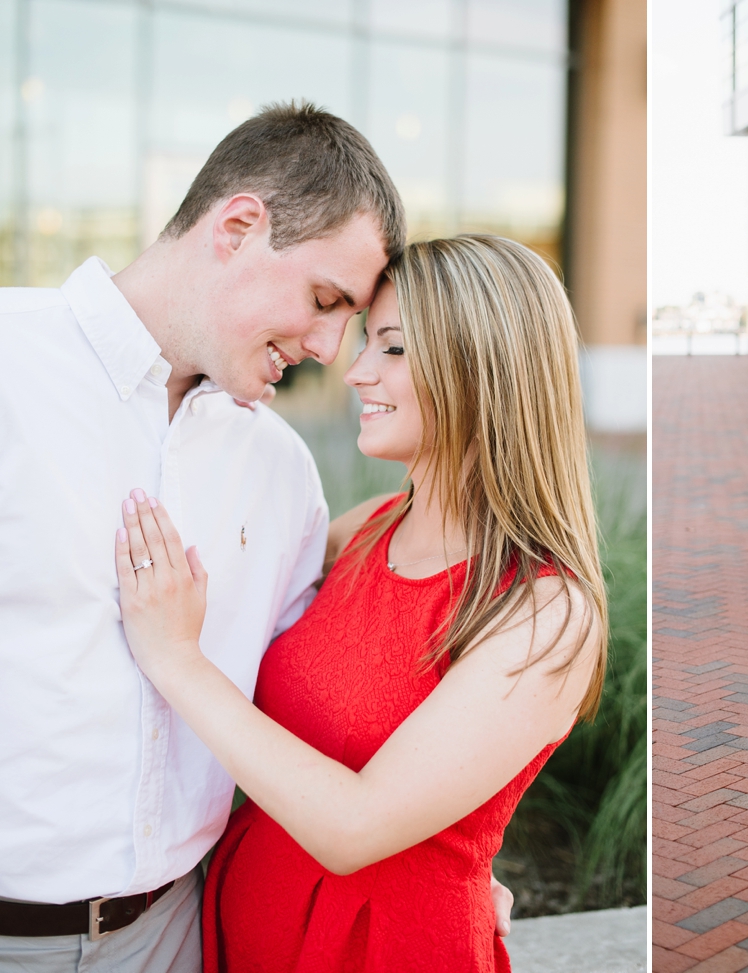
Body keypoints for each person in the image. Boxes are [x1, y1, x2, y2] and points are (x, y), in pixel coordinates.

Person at [112, 235, 606, 972]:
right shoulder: (366, 530)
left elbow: (354, 825)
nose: (357, 371)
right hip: (244, 929)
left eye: (393, 348)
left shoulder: (548, 613)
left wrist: (176, 660)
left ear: (484, 368)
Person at [0, 102, 408, 972]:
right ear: (237, 226)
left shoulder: (283, 468)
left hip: (181, 934)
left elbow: (299, 704)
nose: (333, 347)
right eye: (325, 299)